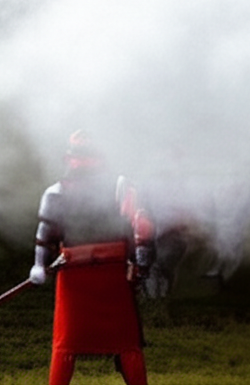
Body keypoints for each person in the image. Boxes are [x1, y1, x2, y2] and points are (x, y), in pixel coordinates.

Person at [29, 130, 155, 385]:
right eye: (79, 156)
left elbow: (142, 227)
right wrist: (38, 264)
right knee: (67, 344)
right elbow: (46, 232)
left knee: (126, 343)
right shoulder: (56, 193)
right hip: (75, 277)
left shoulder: (122, 187)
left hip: (113, 276)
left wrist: (141, 263)